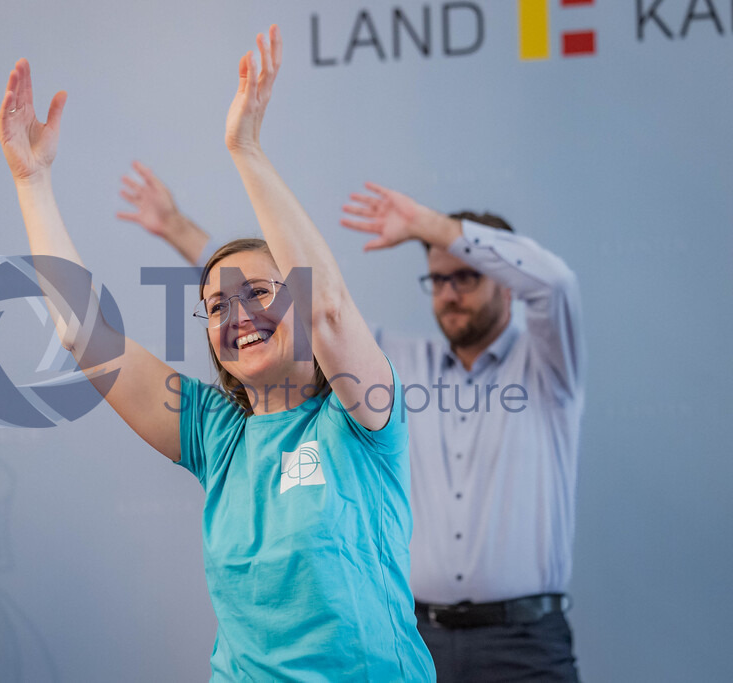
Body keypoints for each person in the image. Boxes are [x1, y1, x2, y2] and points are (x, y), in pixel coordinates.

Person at [0, 25, 434, 681]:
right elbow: (81, 332)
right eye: (217, 305)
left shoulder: (363, 417)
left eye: (259, 292)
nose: (239, 316)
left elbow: (331, 308)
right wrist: (32, 183)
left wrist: (245, 149)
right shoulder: (213, 432)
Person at [118, 173, 584, 682]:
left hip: (522, 642)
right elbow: (287, 308)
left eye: (467, 277)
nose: (450, 293)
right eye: (439, 280)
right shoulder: (400, 360)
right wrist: (178, 229)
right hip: (417, 628)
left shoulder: (549, 368)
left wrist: (429, 225)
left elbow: (554, 282)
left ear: (506, 282)